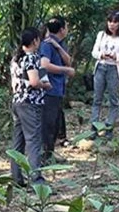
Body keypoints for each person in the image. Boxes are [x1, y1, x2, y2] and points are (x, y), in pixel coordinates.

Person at [10, 28, 52, 186]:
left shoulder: (16, 58)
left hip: (17, 101)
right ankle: (37, 180)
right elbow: (34, 82)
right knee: (33, 141)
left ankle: (15, 177)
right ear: (35, 41)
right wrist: (45, 85)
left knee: (18, 141)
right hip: (30, 103)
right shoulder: (31, 58)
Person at [89, 11, 119, 139]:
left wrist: (117, 56)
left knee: (113, 99)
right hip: (101, 67)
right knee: (97, 98)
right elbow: (94, 52)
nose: (112, 25)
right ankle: (94, 127)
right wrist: (101, 55)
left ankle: (109, 127)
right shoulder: (101, 35)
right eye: (110, 22)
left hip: (115, 68)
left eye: (115, 22)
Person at [40, 17, 75, 164]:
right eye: (66, 26)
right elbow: (44, 65)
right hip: (49, 90)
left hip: (58, 89)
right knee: (48, 124)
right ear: (62, 29)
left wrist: (59, 47)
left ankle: (50, 153)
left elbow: (68, 60)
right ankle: (45, 156)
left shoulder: (59, 44)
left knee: (55, 124)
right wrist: (65, 70)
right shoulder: (46, 45)